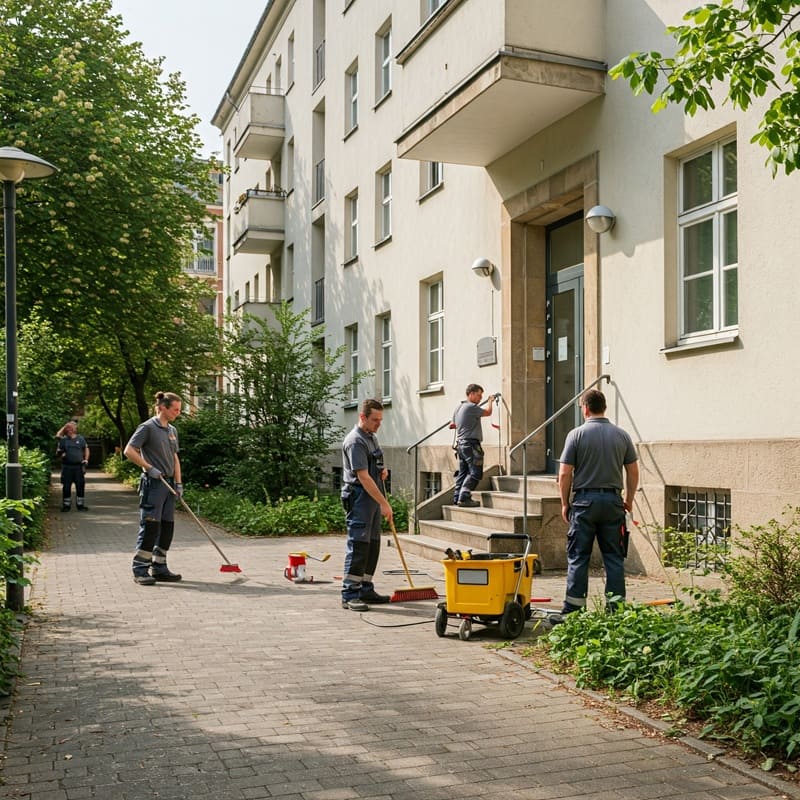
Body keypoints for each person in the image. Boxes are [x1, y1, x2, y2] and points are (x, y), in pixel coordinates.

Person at [557, 388, 639, 616]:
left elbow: (564, 474)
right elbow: (633, 471)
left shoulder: (576, 435)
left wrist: (565, 503)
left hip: (584, 503)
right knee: (613, 557)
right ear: (603, 407)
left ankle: (574, 611)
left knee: (579, 557)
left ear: (585, 408)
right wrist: (628, 499)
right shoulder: (622, 435)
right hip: (613, 502)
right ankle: (616, 610)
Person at [123, 392, 184, 586]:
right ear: (163, 408)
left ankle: (159, 567)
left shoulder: (172, 430)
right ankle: (140, 569)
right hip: (154, 484)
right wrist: (149, 468)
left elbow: (175, 458)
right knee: (150, 526)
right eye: (175, 409)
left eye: (179, 410)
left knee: (167, 527)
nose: (178, 413)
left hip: (169, 485)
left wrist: (179, 482)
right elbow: (129, 451)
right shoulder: (147, 427)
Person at [340, 398, 394, 612]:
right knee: (359, 544)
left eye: (380, 420)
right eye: (374, 420)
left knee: (372, 544)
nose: (378, 424)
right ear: (362, 417)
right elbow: (363, 477)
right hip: (360, 496)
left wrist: (383, 470)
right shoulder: (355, 441)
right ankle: (350, 593)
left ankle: (365, 588)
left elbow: (375, 465)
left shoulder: (372, 437)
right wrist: (384, 504)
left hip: (372, 497)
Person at [452, 383, 498, 508]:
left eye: (482, 397)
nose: (480, 399)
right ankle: (464, 497)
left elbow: (453, 424)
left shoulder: (459, 407)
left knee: (463, 472)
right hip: (471, 445)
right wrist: (490, 401)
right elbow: (487, 412)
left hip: (461, 445)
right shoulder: (471, 407)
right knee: (475, 473)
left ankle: (456, 497)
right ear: (471, 394)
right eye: (478, 395)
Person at [55, 420, 90, 512]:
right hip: (67, 467)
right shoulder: (63, 440)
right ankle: (66, 506)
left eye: (71, 428)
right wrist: (60, 454)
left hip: (78, 467)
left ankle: (80, 505)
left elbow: (86, 449)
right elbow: (57, 437)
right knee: (66, 486)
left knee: (80, 486)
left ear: (75, 429)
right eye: (68, 428)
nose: (70, 430)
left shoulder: (80, 439)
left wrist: (86, 459)